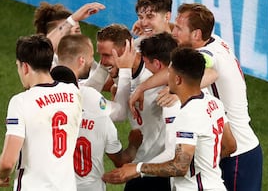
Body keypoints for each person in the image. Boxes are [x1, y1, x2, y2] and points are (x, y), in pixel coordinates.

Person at [129, 3, 262, 191]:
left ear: (196, 34)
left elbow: (210, 73)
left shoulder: (206, 55)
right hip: (229, 146)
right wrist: (141, 87)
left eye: (179, 28)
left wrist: (181, 87)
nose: (174, 32)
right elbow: (174, 41)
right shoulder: (213, 39)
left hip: (237, 154)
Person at [103, 47, 229, 191]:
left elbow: (179, 166)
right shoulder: (214, 103)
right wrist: (204, 162)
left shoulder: (187, 113)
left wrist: (137, 168)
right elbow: (230, 145)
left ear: (177, 79)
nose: (165, 76)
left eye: (169, 72)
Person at [0, 34, 82, 190]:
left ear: (25, 67)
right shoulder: (73, 93)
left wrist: (0, 175)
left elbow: (8, 162)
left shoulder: (20, 102)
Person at [55, 34, 143, 191]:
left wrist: (103, 69)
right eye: (91, 57)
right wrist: (125, 71)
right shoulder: (91, 100)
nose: (95, 61)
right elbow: (120, 112)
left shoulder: (41, 94)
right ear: (82, 60)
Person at [97, 24, 170, 191]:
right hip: (140, 165)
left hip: (160, 170)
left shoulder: (157, 77)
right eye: (100, 55)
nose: (102, 62)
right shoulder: (121, 74)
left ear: (126, 50)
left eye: (107, 55)